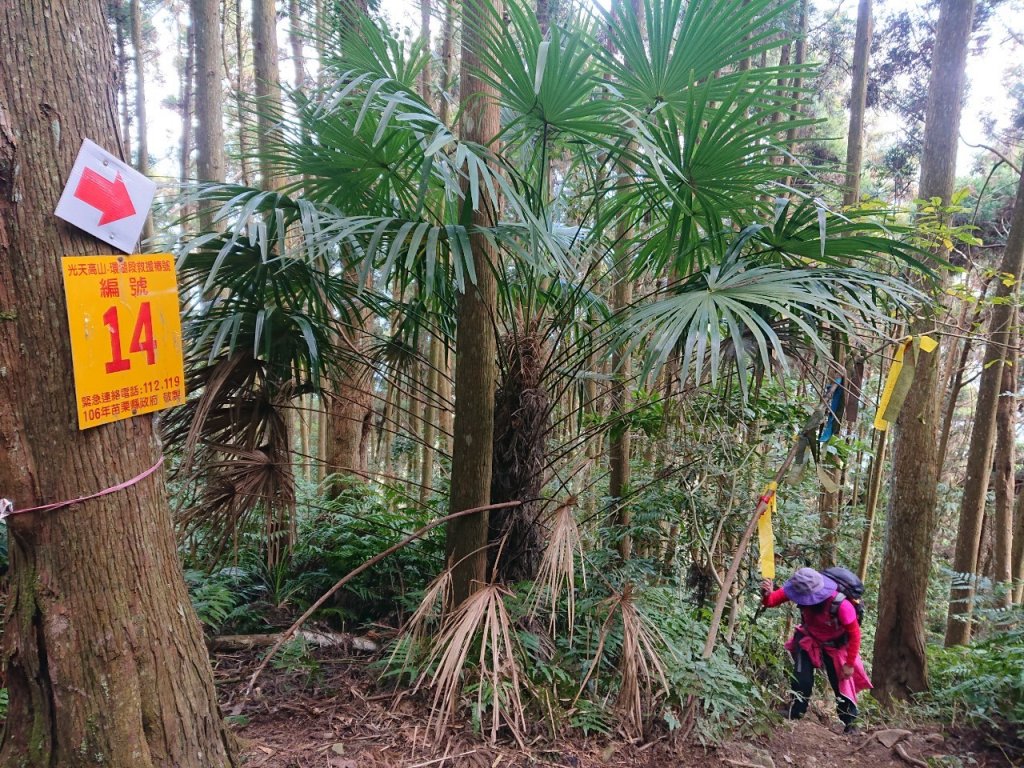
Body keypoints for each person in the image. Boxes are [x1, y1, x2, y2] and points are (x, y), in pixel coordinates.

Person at [760, 567, 872, 734]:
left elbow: (855, 634)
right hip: (809, 638)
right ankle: (797, 710)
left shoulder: (842, 605)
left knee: (840, 682)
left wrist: (849, 664)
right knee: (801, 676)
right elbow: (770, 602)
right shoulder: (799, 587)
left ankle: (850, 722)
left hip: (836, 645)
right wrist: (766, 594)